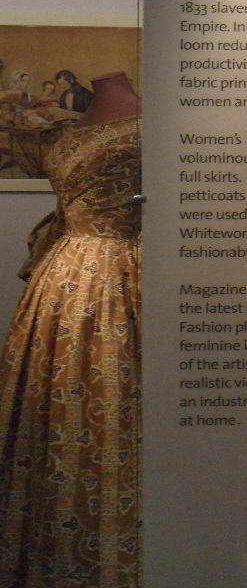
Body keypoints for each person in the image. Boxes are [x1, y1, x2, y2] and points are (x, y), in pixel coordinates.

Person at [0, 72, 142, 587]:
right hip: (71, 279)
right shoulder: (87, 124)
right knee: (57, 402)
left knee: (113, 398)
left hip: (109, 277)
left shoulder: (142, 123)